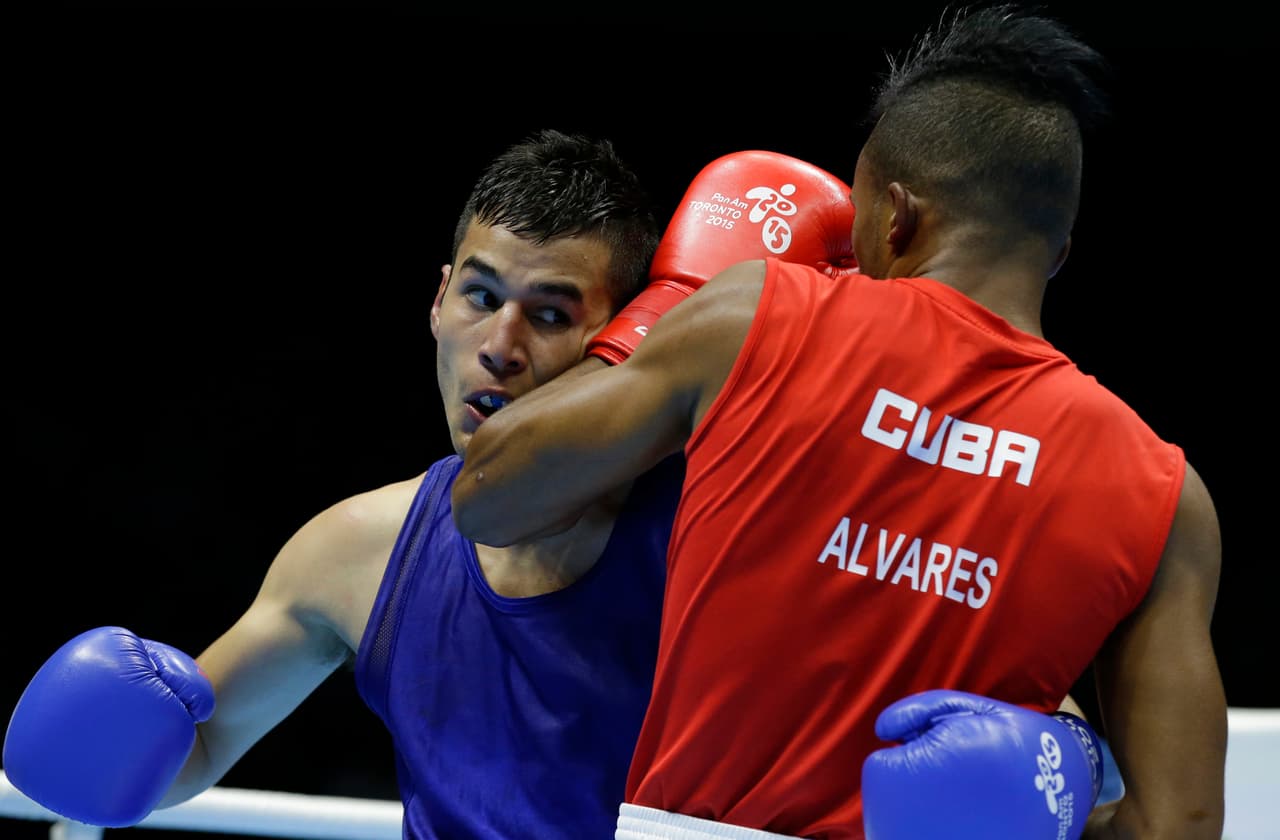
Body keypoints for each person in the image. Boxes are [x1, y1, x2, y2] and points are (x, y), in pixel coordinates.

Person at [451, 6, 1228, 840]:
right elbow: (1179, 824)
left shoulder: (757, 316)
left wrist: (669, 305)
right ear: (1059, 251)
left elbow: (490, 495)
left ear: (894, 216)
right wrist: (1054, 788)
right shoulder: (1163, 494)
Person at [3, 128, 678, 839]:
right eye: (481, 296)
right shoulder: (357, 552)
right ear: (439, 300)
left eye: (549, 315)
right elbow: (193, 752)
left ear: (624, 339)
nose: (500, 347)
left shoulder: (702, 534)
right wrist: (106, 738)